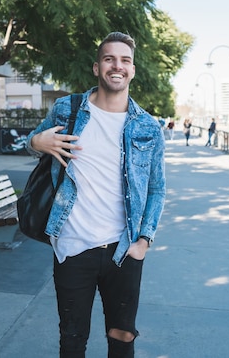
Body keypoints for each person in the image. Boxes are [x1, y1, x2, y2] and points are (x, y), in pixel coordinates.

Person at [27, 32, 166, 357]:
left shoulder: (148, 126)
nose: (117, 66)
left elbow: (157, 188)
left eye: (124, 60)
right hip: (74, 247)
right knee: (73, 339)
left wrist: (143, 241)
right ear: (96, 67)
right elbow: (33, 140)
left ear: (132, 69)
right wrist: (37, 143)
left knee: (123, 337)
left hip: (124, 249)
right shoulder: (67, 109)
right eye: (109, 59)